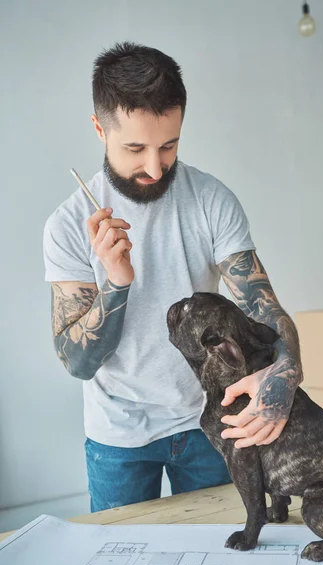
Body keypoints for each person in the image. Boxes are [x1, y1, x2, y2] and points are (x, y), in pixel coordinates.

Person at [43, 41, 303, 513]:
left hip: (211, 421)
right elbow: (77, 363)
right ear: (100, 129)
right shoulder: (67, 223)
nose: (154, 166)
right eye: (135, 148)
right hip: (117, 438)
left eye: (169, 145)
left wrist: (286, 371)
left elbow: (263, 307)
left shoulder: (210, 199)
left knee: (220, 554)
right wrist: (116, 282)